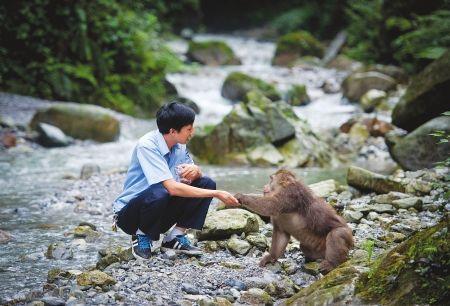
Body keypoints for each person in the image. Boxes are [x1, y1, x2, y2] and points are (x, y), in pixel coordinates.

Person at [113, 101, 239, 260]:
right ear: (173, 131)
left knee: (206, 183)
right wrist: (217, 194)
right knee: (161, 191)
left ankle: (174, 237)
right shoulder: (147, 146)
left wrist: (197, 171)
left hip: (159, 210)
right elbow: (171, 188)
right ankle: (141, 236)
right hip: (130, 216)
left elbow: (191, 174)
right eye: (189, 129)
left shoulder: (179, 145)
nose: (192, 132)